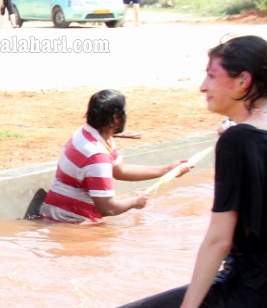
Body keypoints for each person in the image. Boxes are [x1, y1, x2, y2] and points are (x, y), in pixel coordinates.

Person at [95, 36, 267, 308]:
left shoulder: (238, 141)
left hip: (254, 297)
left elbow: (218, 240)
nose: (202, 86)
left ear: (242, 82)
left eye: (211, 75)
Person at [39, 90, 193, 223]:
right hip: (69, 221)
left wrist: (168, 169)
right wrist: (134, 201)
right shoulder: (96, 155)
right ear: (115, 118)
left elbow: (120, 170)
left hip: (61, 214)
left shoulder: (89, 134)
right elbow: (108, 209)